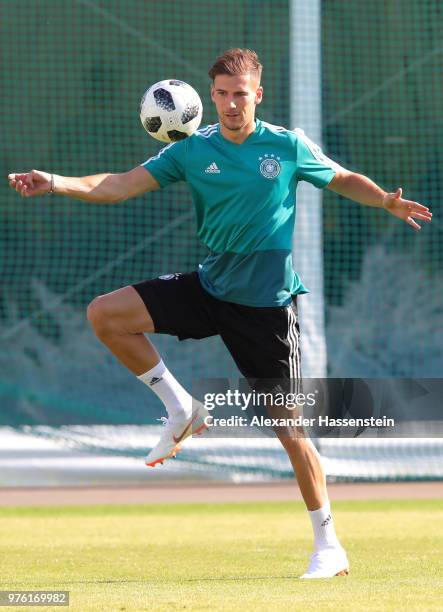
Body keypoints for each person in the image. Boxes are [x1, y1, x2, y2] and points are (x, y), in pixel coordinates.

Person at [8, 48, 432, 578]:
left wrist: (384, 201)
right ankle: (182, 408)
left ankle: (329, 546)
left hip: (266, 310)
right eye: (224, 94)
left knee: (290, 432)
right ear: (211, 98)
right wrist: (54, 181)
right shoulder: (191, 150)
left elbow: (341, 177)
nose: (233, 104)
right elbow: (118, 184)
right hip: (211, 287)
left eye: (242, 93)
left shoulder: (286, 144)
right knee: (105, 314)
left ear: (258, 94)